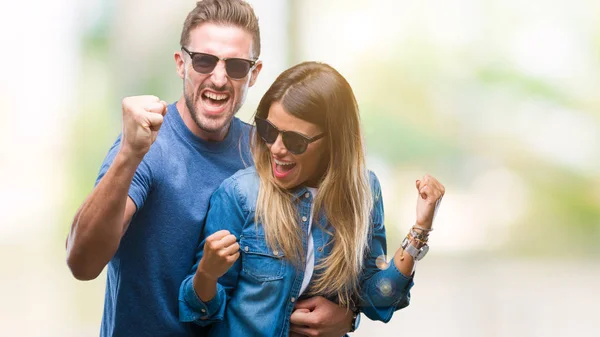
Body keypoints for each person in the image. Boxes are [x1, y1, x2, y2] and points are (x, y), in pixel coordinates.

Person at [65, 1, 355, 336]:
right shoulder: (146, 147)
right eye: (204, 61)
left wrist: (347, 314)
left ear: (253, 74)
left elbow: (315, 253)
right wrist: (130, 153)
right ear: (181, 64)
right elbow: (82, 263)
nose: (218, 78)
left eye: (235, 66)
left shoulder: (267, 154)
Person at [178, 61, 445, 337]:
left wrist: (421, 228)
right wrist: (206, 275)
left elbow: (379, 299)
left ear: (333, 142)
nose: (277, 149)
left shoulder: (364, 191)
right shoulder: (240, 194)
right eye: (268, 131)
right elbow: (200, 315)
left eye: (295, 141)